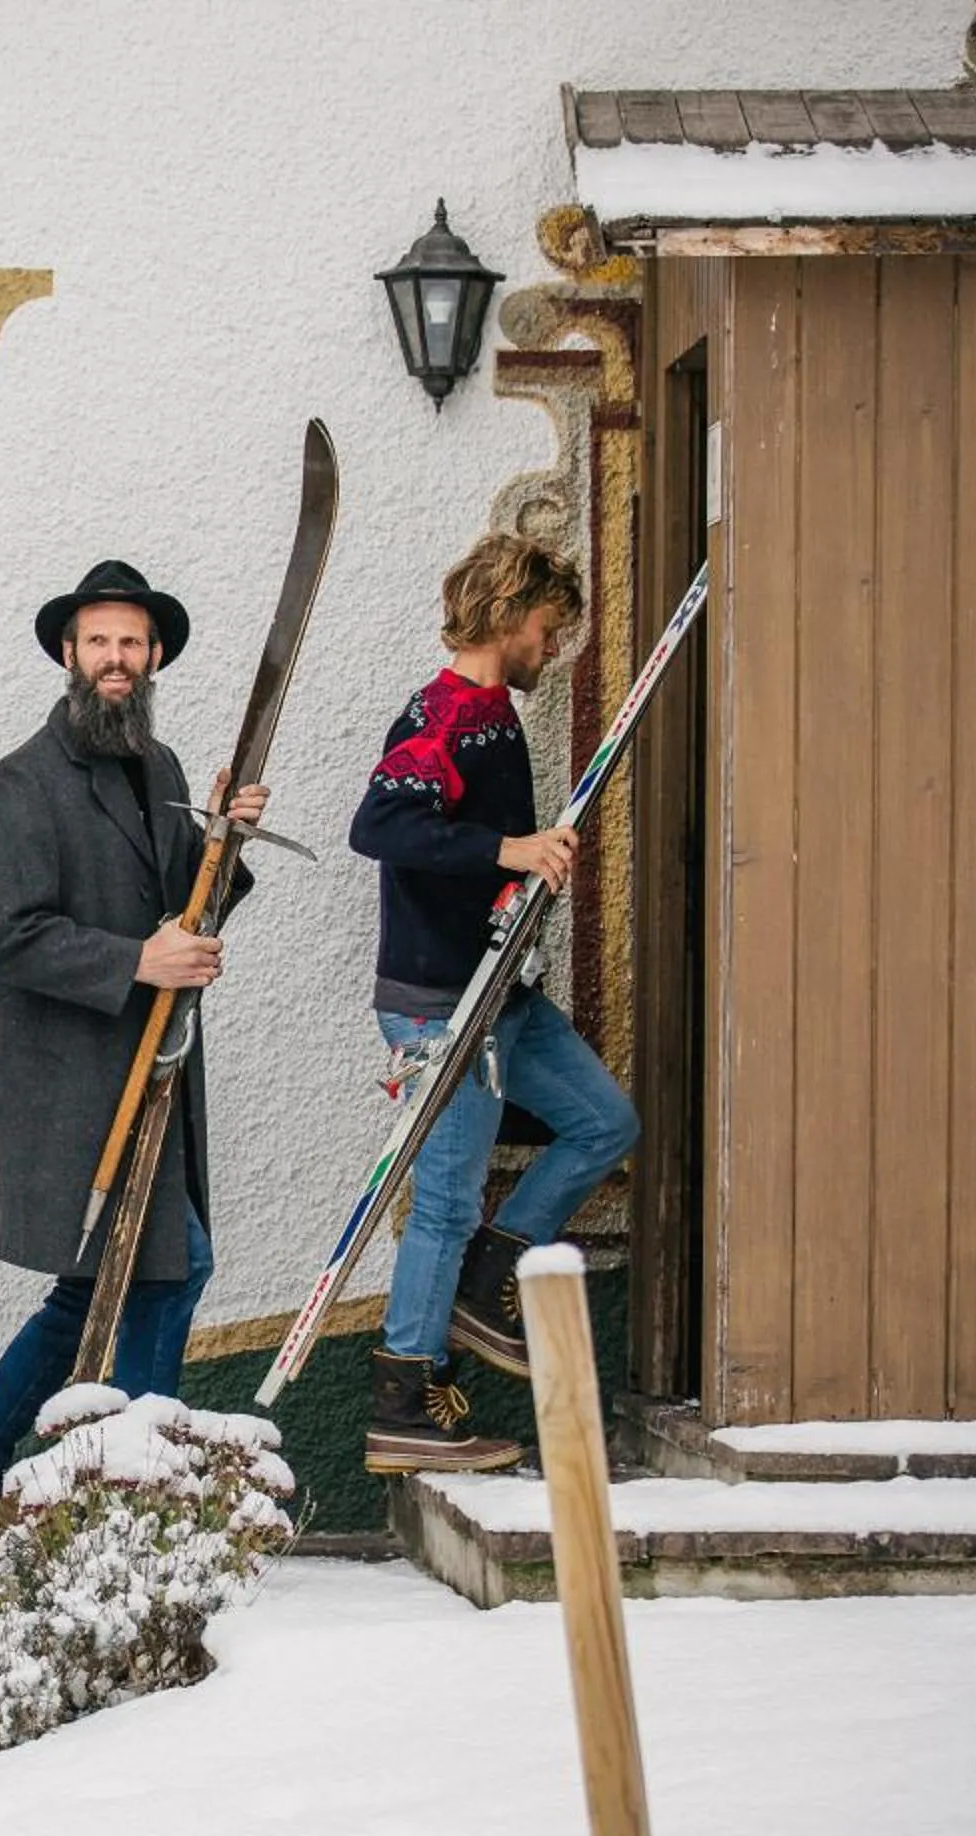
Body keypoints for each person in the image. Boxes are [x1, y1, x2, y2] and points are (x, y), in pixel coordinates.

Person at [0, 560, 268, 1509]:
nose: (116, 658)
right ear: (68, 654)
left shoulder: (156, 768)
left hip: (150, 1073)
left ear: (154, 656)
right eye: (99, 642)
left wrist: (223, 842)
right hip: (72, 1084)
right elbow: (5, 934)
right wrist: (135, 963)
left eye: (131, 642)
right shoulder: (21, 782)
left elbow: (188, 911)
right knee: (155, 1267)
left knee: (116, 1282)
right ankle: (126, 1482)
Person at [347, 532, 638, 1474]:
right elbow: (382, 824)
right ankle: (407, 1398)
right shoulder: (446, 715)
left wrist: (514, 866)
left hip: (502, 992)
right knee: (443, 1202)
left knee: (602, 1120)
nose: (555, 649)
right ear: (509, 615)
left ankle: (488, 1278)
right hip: (441, 1006)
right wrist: (508, 850)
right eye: (550, 630)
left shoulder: (492, 715)